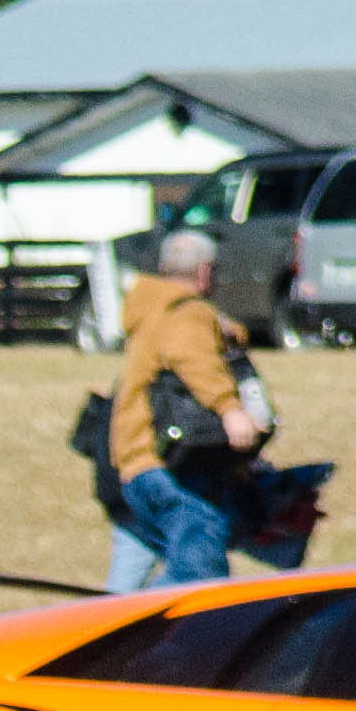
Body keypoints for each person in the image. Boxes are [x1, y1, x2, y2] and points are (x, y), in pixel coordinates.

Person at [108, 228, 275, 583]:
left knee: (168, 573)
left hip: (136, 465)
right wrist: (230, 409)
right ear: (204, 271)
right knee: (199, 583)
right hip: (171, 469)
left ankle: (122, 628)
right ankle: (126, 635)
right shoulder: (188, 314)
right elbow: (194, 358)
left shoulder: (151, 306)